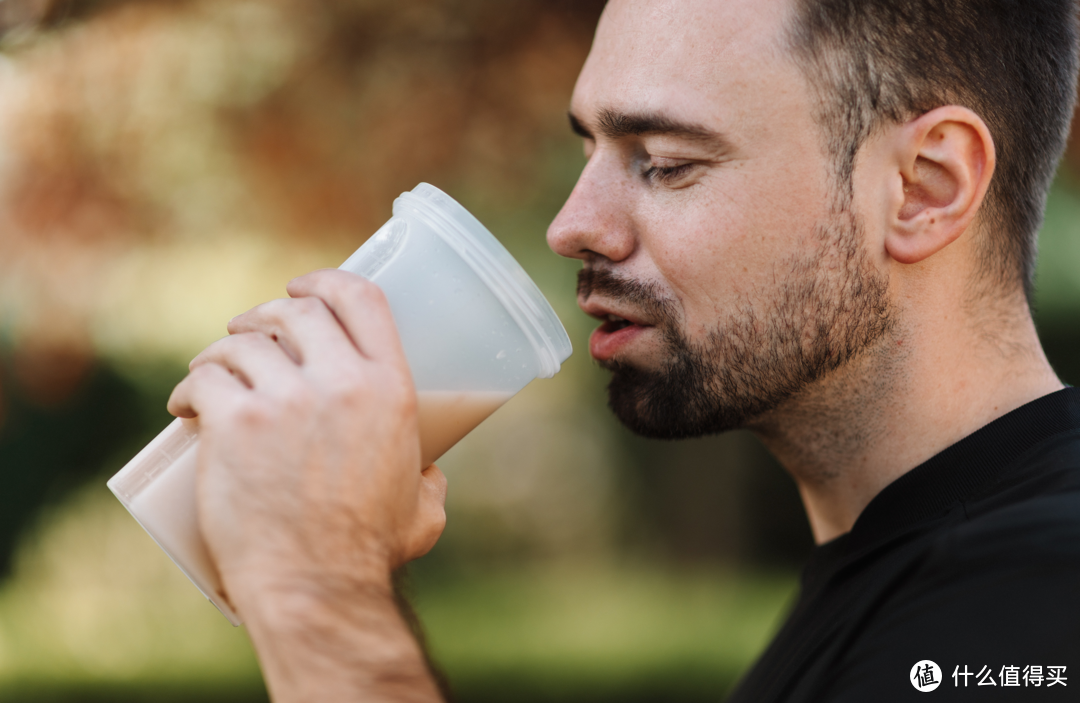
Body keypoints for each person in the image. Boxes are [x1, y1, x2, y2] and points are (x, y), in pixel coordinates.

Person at [166, 0, 1080, 700]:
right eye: (592, 150)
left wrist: (316, 588)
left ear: (924, 188)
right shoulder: (895, 569)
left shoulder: (1038, 596)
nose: (574, 226)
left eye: (667, 162)